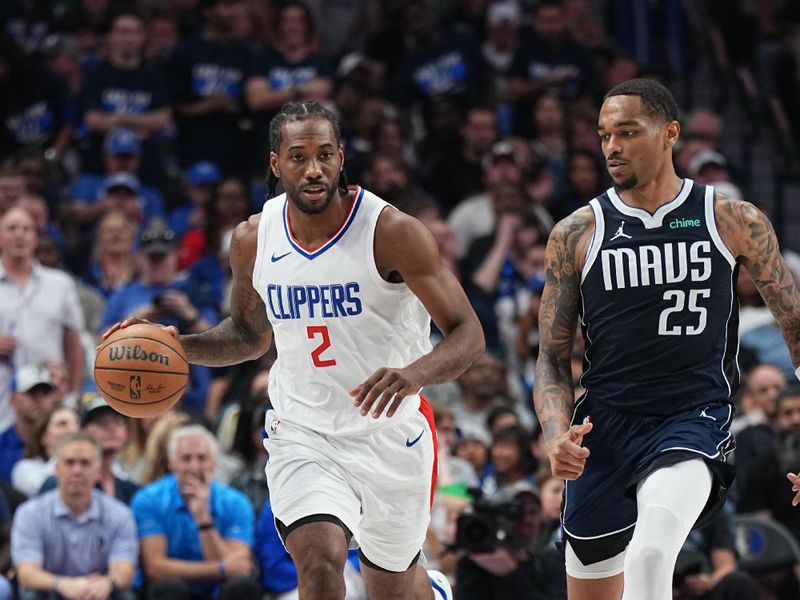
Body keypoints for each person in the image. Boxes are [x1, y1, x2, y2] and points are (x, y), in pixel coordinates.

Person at [105, 100, 484, 600]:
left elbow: (468, 334)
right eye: (299, 156)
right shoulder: (252, 239)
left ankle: (428, 589)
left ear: (341, 158)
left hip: (391, 434)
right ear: (275, 163)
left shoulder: (392, 233)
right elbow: (248, 335)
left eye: (325, 155)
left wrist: (413, 374)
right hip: (304, 429)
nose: (314, 169)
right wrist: (176, 347)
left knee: (392, 589)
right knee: (321, 568)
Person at [533, 78, 800, 600]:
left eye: (627, 132)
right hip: (604, 430)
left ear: (669, 134)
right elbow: (551, 357)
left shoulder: (731, 220)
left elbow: (795, 327)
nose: (611, 146)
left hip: (692, 418)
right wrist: (554, 434)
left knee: (653, 554)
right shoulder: (576, 233)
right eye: (604, 134)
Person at [130, 424, 261, 600]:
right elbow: (155, 568)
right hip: (173, 591)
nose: (194, 467)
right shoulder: (149, 499)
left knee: (243, 586)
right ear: (172, 463)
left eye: (202, 458)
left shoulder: (236, 502)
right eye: (186, 459)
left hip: (219, 591)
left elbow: (239, 567)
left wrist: (203, 520)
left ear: (214, 463)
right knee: (168, 587)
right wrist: (220, 568)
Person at [11, 432, 138, 600]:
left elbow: (124, 571)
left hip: (97, 593)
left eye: (85, 463)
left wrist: (107, 583)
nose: (77, 470)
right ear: (57, 469)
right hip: (52, 591)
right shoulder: (30, 513)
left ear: (98, 471)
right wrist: (63, 584)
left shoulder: (120, 514)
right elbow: (27, 573)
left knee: (124, 595)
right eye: (69, 463)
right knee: (31, 595)